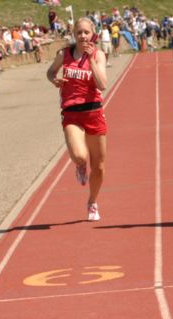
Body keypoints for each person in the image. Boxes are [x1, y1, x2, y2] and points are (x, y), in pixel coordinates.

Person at [46, 17, 109, 220]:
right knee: (81, 156)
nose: (82, 36)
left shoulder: (98, 55)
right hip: (72, 112)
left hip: (94, 112)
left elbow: (102, 85)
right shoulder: (64, 54)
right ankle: (80, 165)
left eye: (86, 32)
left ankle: (92, 202)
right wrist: (55, 80)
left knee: (98, 167)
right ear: (74, 35)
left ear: (93, 34)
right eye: (79, 32)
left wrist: (90, 60)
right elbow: (50, 72)